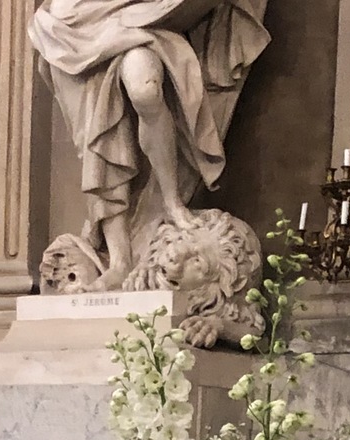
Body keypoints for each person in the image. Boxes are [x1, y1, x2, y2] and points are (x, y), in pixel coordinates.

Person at [29, 0, 270, 290]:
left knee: (144, 90)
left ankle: (172, 201)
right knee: (96, 134)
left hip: (144, 23)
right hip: (76, 24)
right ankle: (119, 260)